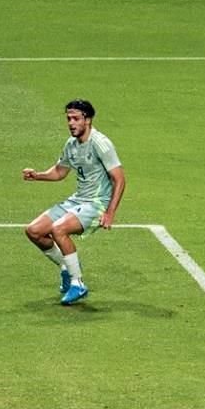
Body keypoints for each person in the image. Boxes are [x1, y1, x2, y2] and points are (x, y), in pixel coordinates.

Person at [22, 99, 126, 304]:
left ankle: (78, 284)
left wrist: (110, 213)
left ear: (87, 120)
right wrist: (38, 175)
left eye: (76, 119)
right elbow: (60, 172)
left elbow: (119, 179)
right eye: (69, 118)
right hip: (77, 200)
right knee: (33, 230)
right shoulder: (71, 144)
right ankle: (66, 268)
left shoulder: (100, 144)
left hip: (96, 204)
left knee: (58, 229)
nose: (71, 123)